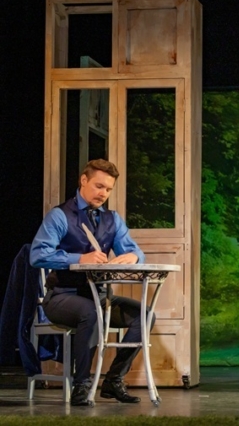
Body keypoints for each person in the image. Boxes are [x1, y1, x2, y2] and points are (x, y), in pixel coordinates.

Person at [30, 159, 152, 406]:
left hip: (100, 296)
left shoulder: (112, 219)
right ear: (83, 180)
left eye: (108, 189)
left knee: (144, 315)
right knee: (91, 311)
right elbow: (38, 255)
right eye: (99, 186)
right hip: (62, 295)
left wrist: (133, 256)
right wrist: (79, 258)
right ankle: (82, 384)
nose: (103, 193)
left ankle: (113, 380)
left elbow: (134, 251)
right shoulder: (60, 215)